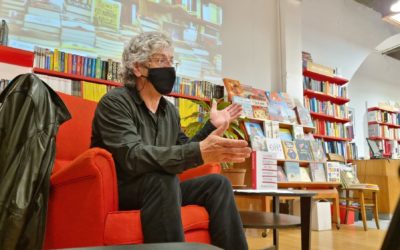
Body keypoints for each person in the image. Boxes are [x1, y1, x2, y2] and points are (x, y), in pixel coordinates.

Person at [91, 32, 251, 250]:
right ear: (137, 68)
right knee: (163, 180)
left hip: (162, 188)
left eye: (171, 61)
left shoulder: (170, 112)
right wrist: (197, 151)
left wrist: (211, 126)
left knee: (217, 183)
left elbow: (185, 149)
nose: (169, 67)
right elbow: (132, 157)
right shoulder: (115, 103)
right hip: (123, 188)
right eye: (160, 60)